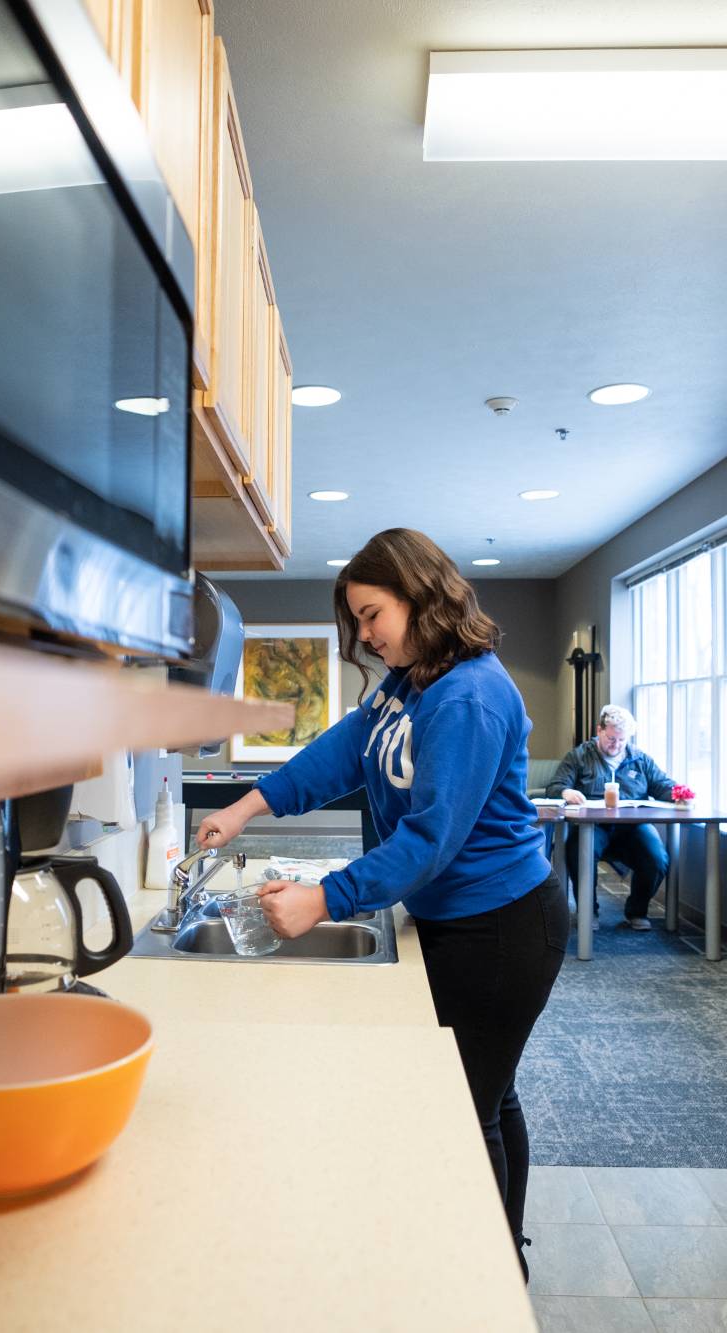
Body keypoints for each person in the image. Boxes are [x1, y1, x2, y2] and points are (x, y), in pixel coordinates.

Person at [196, 528, 566, 1281]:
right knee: (493, 1091)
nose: (364, 635)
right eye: (358, 620)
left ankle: (487, 1281)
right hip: (458, 918)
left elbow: (431, 839)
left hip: (499, 927)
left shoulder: (469, 695)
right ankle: (506, 1253)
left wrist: (325, 898)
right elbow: (345, 748)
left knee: (472, 1110)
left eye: (371, 615)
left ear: (419, 596)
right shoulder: (414, 680)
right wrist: (248, 805)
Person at [544, 704, 695, 930]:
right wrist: (566, 792)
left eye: (622, 740)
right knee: (578, 853)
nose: (616, 745)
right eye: (611, 739)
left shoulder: (640, 759)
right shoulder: (579, 756)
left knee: (657, 859)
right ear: (599, 730)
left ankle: (637, 911)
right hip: (592, 826)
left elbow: (662, 785)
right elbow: (555, 786)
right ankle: (588, 912)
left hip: (632, 827)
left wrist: (680, 795)